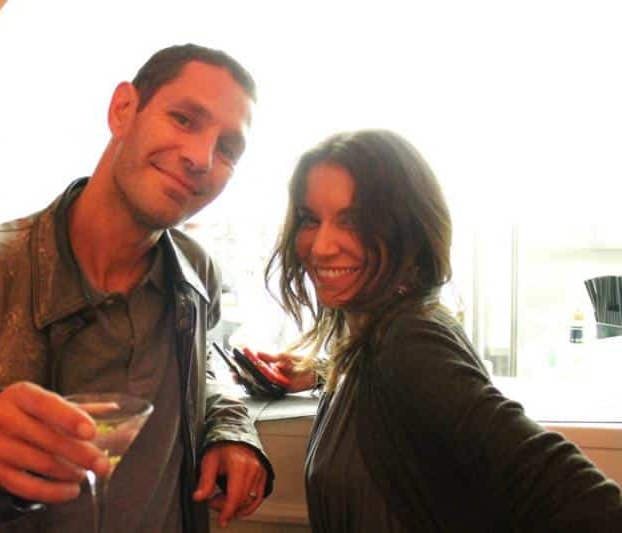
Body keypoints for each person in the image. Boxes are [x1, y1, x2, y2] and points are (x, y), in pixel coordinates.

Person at [0, 43, 273, 533]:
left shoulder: (196, 272)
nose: (201, 158)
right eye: (183, 119)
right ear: (123, 110)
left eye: (228, 149)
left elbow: (199, 369)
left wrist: (230, 429)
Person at [257, 130, 622, 532]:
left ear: (408, 230)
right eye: (311, 219)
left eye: (353, 221)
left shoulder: (410, 343)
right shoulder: (373, 333)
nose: (321, 247)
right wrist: (323, 372)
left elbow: (575, 494)